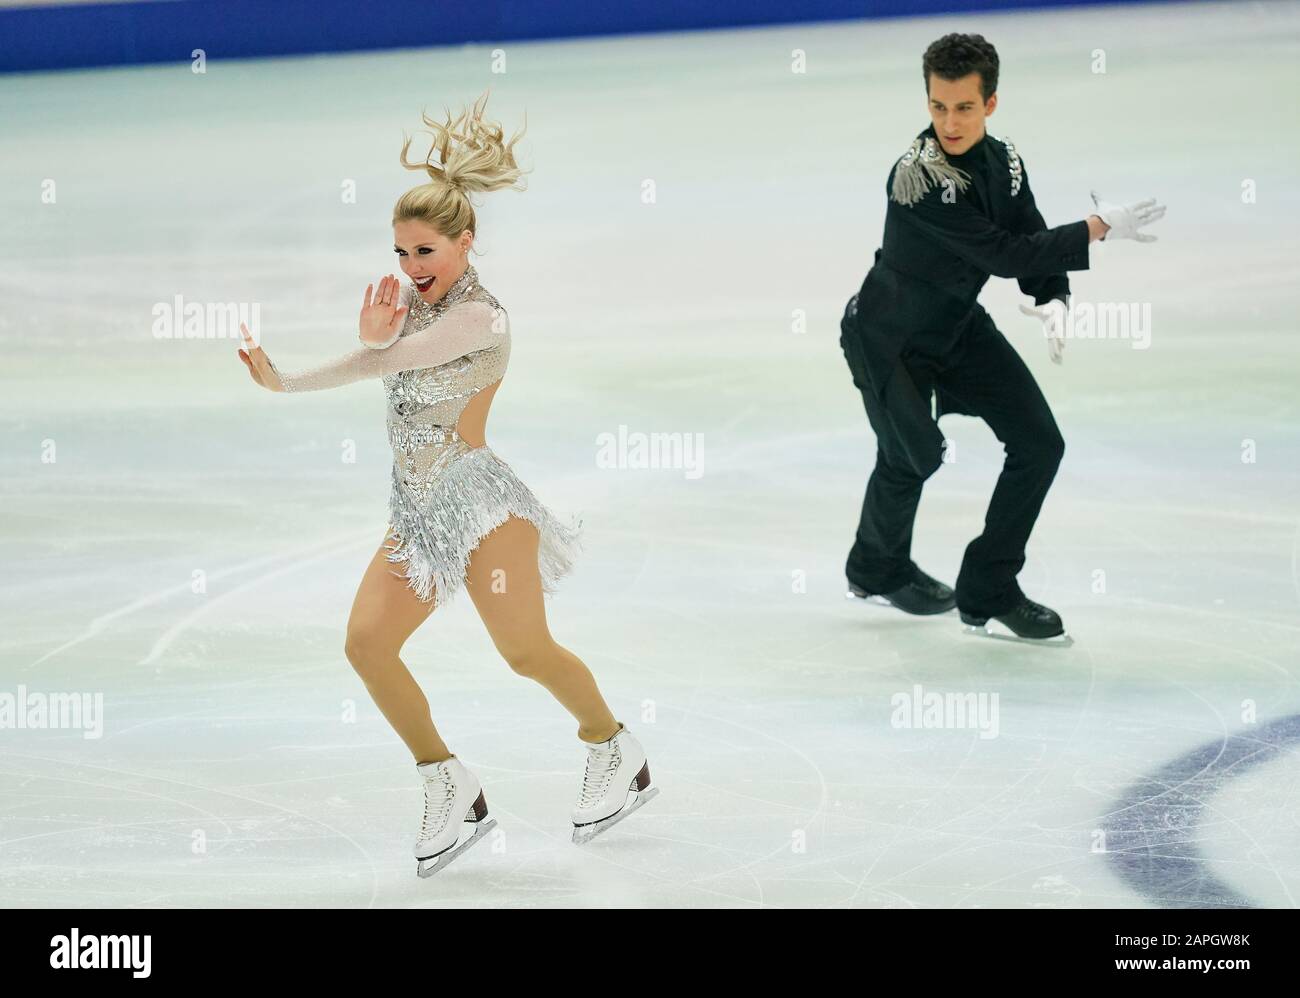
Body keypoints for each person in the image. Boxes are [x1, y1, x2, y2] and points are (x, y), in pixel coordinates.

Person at [235, 91, 657, 875]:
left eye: (425, 252)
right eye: (400, 253)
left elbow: (391, 359)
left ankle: (613, 749)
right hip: (417, 514)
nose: (411, 268)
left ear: (467, 242)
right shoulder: (411, 306)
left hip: (481, 506)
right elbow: (383, 350)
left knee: (524, 651)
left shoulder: (481, 319)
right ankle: (447, 782)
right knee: (367, 644)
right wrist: (365, 341)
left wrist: (301, 375)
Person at [839, 33, 1165, 643]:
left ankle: (988, 588)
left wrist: (1054, 296)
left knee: (1040, 444)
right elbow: (1003, 253)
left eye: (964, 107)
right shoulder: (918, 178)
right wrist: (1096, 228)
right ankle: (875, 569)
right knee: (915, 456)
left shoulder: (1005, 161)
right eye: (938, 106)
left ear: (990, 103)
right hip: (888, 338)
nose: (949, 123)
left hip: (956, 327)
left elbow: (1027, 232)